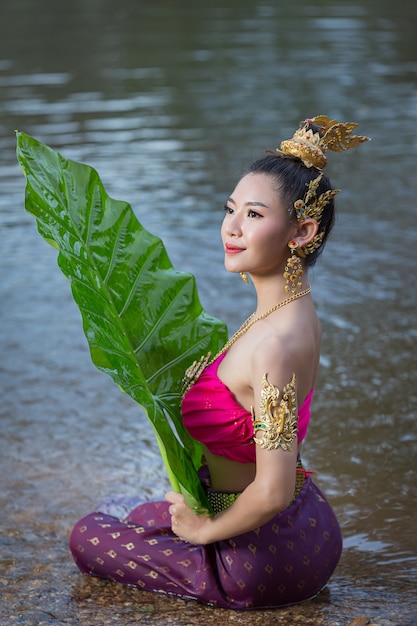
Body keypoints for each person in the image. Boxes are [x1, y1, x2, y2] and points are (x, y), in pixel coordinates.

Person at [69, 116, 369, 609]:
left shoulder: (273, 343)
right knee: (142, 512)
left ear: (302, 231)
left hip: (259, 557)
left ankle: (214, 557)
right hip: (308, 524)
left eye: (253, 215)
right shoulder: (295, 314)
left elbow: (270, 490)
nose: (230, 227)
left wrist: (206, 530)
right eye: (230, 209)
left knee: (89, 533)